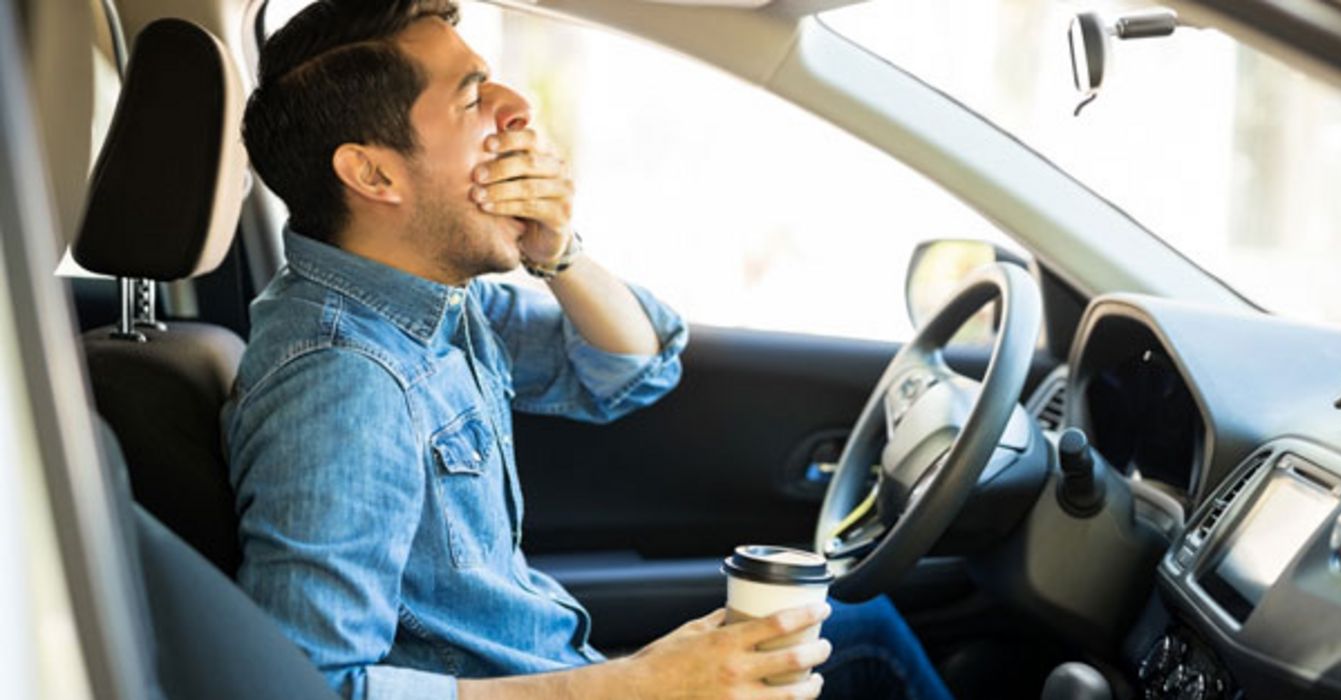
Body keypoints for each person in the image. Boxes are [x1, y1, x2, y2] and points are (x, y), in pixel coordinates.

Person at [224, 1, 956, 699]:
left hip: (558, 669)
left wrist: (559, 253)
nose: (516, 110)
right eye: (473, 96)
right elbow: (309, 684)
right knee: (865, 642)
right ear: (374, 174)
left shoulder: (432, 303)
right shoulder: (345, 380)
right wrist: (636, 688)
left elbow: (630, 369)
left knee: (854, 625)